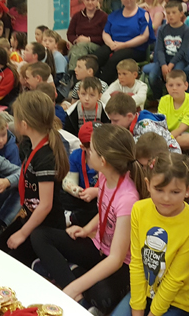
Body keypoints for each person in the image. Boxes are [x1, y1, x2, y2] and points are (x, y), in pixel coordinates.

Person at [32, 124, 146, 314]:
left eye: (89, 149)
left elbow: (116, 259)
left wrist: (73, 287)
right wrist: (85, 229)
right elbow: (104, 210)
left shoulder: (128, 199)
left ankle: (70, 275)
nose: (85, 152)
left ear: (103, 160)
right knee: (40, 236)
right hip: (99, 247)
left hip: (119, 263)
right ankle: (76, 287)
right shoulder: (104, 176)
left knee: (102, 296)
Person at [113, 152, 189, 316]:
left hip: (178, 303)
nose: (166, 198)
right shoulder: (139, 209)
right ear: (148, 185)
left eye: (175, 192)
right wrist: (137, 309)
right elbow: (137, 263)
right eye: (159, 189)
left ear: (188, 190)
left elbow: (174, 281)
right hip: (147, 292)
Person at [0, 91, 69, 266]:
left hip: (46, 225)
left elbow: (45, 205)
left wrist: (23, 233)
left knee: (9, 263)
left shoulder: (45, 156)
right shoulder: (30, 144)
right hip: (30, 216)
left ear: (24, 124)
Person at [95, 0, 152, 85]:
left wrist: (123, 45)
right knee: (97, 56)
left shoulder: (143, 14)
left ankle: (101, 86)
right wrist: (111, 44)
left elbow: (144, 36)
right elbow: (106, 33)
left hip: (135, 48)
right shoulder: (114, 14)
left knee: (116, 59)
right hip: (114, 45)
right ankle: (90, 83)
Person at [105, 93, 182, 154]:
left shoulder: (145, 126)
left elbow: (148, 147)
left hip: (170, 158)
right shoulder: (134, 120)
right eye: (111, 120)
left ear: (129, 116)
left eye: (115, 121)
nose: (112, 124)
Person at [148, 0, 189, 100]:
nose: (170, 15)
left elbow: (182, 51)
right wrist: (163, 65)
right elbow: (159, 50)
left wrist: (171, 65)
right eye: (168, 13)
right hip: (163, 60)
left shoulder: (186, 30)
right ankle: (160, 99)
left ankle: (176, 99)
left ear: (181, 14)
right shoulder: (162, 29)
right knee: (152, 77)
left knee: (176, 78)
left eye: (174, 12)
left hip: (179, 60)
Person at [61, 121, 99, 228]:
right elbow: (68, 182)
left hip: (101, 197)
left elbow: (115, 190)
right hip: (83, 196)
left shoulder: (109, 158)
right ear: (83, 147)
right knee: (60, 194)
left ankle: (74, 218)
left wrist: (96, 192)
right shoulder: (76, 155)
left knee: (97, 208)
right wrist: (79, 192)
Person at [158, 70, 189, 151]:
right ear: (166, 87)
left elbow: (181, 129)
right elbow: (161, 123)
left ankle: (162, 147)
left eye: (178, 85)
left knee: (188, 140)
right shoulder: (164, 100)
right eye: (171, 85)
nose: (174, 88)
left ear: (186, 86)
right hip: (167, 132)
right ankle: (168, 147)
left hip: (184, 133)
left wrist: (165, 139)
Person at [67, 0, 108, 75]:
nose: (90, 2)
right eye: (87, 0)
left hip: (96, 45)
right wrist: (77, 40)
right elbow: (70, 34)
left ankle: (71, 74)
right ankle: (81, 75)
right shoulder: (77, 16)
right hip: (79, 45)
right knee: (79, 48)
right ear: (84, 1)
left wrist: (88, 39)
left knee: (78, 48)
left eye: (92, 0)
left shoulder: (103, 16)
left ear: (97, 1)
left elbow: (105, 37)